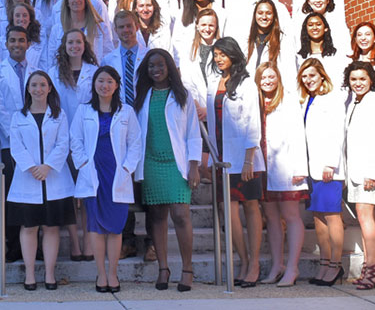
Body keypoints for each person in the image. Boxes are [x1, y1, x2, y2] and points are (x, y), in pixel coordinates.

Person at [69, 66, 143, 293]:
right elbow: (75, 140)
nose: (105, 85)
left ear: (117, 85)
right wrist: (82, 163)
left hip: (116, 175)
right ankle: (101, 275)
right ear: (94, 84)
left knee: (116, 227)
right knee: (96, 227)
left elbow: (135, 143)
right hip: (93, 173)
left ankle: (113, 274)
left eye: (109, 81)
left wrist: (127, 167)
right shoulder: (83, 111)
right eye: (100, 81)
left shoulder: (126, 111)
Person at [134, 49, 202, 292]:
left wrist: (194, 165)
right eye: (151, 66)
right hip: (151, 162)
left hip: (176, 164)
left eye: (160, 65)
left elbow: (193, 133)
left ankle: (187, 268)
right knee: (157, 217)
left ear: (169, 67)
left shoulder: (182, 96)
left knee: (181, 214)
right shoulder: (143, 96)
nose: (155, 69)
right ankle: (163, 268)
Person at [203, 37, 264, 287]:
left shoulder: (247, 84)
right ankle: (243, 259)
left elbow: (253, 121)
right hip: (222, 157)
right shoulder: (214, 82)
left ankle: (255, 263)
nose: (218, 58)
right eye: (216, 54)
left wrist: (249, 159)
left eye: (223, 54)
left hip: (244, 156)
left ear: (234, 55)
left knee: (250, 206)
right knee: (228, 210)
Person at [8, 71, 74, 291]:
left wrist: (48, 166)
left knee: (51, 227)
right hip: (28, 179)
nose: (38, 89)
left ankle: (49, 274)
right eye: (34, 85)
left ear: (49, 88)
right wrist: (32, 167)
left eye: (42, 85)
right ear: (28, 89)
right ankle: (29, 274)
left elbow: (63, 143)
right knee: (29, 227)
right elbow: (16, 146)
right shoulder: (18, 116)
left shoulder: (60, 115)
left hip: (54, 178)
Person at [253, 62, 307, 287]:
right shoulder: (255, 102)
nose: (267, 81)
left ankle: (292, 268)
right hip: (264, 166)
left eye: (271, 77)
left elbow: (297, 133)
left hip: (286, 166)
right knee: (272, 218)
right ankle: (277, 266)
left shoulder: (288, 101)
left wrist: (299, 168)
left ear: (278, 79)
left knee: (291, 216)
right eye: (263, 78)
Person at [298, 58, 348, 286]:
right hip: (313, 168)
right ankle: (324, 263)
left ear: (322, 76)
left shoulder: (332, 99)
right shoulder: (308, 100)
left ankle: (336, 266)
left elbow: (337, 132)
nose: (308, 80)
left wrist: (331, 163)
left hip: (329, 169)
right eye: (305, 76)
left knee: (331, 215)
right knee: (318, 218)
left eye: (312, 75)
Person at [343, 61, 375, 290]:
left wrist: (372, 172)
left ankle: (371, 268)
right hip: (355, 171)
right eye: (353, 79)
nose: (358, 83)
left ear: (371, 79)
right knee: (363, 220)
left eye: (362, 79)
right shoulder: (354, 103)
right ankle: (370, 268)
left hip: (368, 172)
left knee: (366, 218)